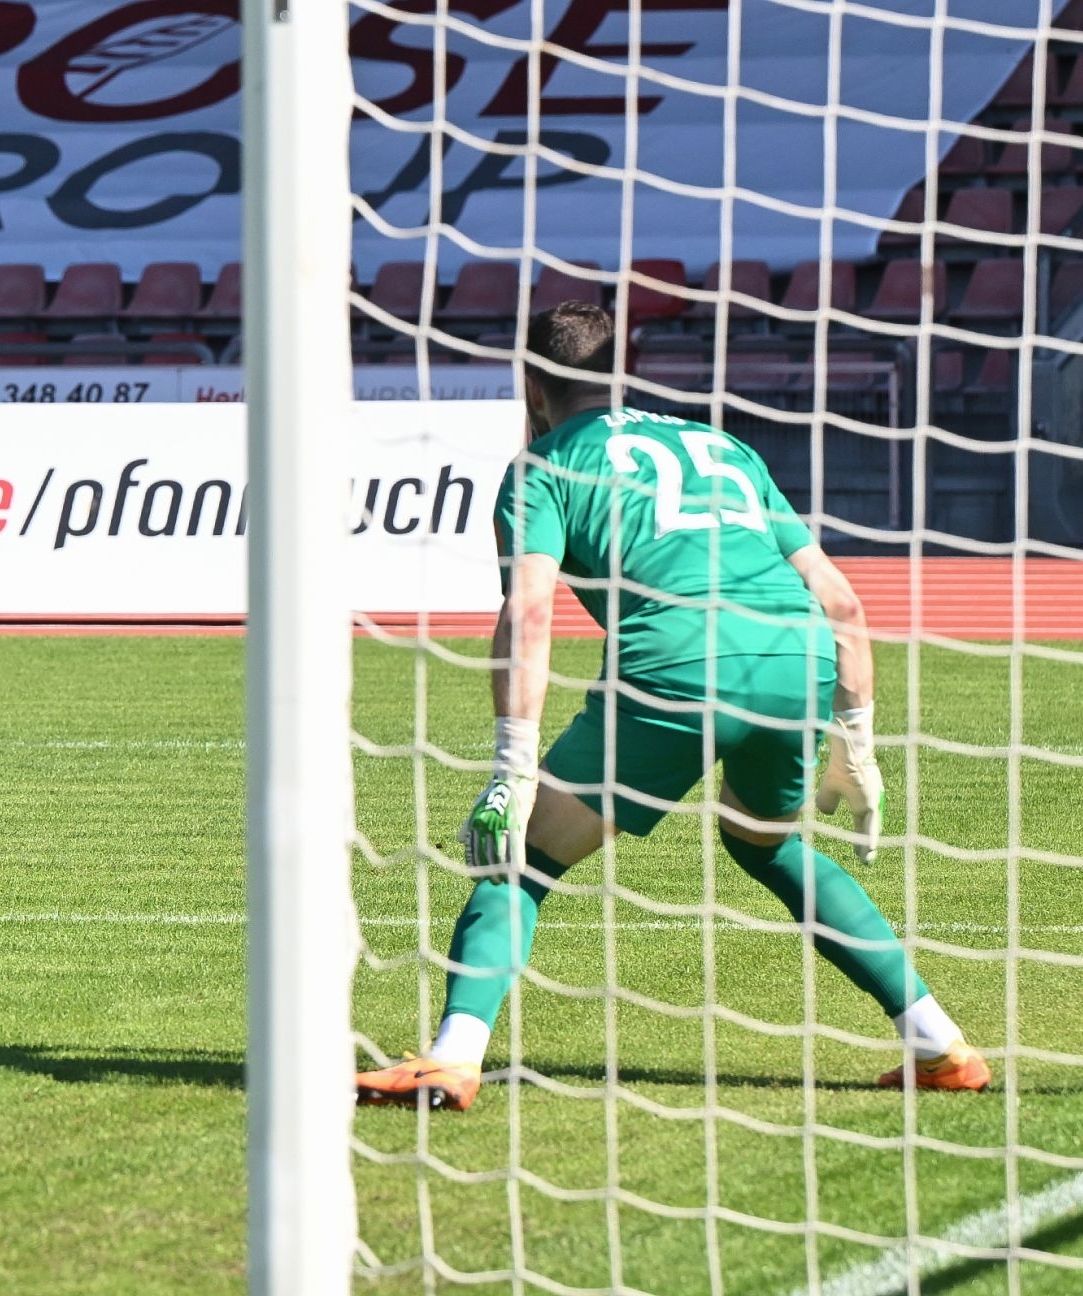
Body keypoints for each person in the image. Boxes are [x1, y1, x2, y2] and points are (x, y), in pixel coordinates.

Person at [356, 301, 989, 1111]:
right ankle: (940, 1045)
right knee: (767, 845)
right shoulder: (724, 446)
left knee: (520, 858)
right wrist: (855, 743)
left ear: (531, 384)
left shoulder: (545, 467)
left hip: (678, 665)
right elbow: (840, 602)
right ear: (619, 377)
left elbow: (532, 612)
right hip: (793, 657)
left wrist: (512, 764)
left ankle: (451, 1059)